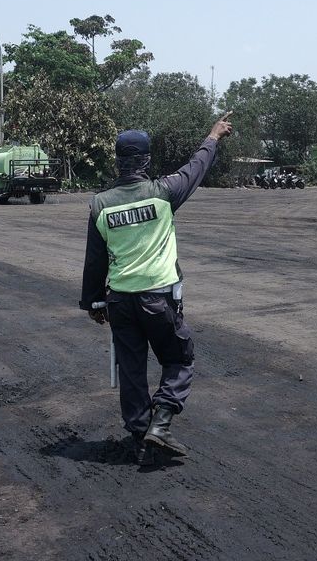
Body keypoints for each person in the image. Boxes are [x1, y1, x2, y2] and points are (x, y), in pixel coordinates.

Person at [80, 112, 233, 466]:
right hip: (158, 299)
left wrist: (93, 302)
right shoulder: (164, 193)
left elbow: (94, 261)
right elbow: (196, 168)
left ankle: (139, 434)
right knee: (179, 358)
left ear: (118, 162)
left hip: (119, 301)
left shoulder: (100, 205)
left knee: (132, 369)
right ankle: (160, 425)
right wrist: (213, 135)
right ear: (146, 161)